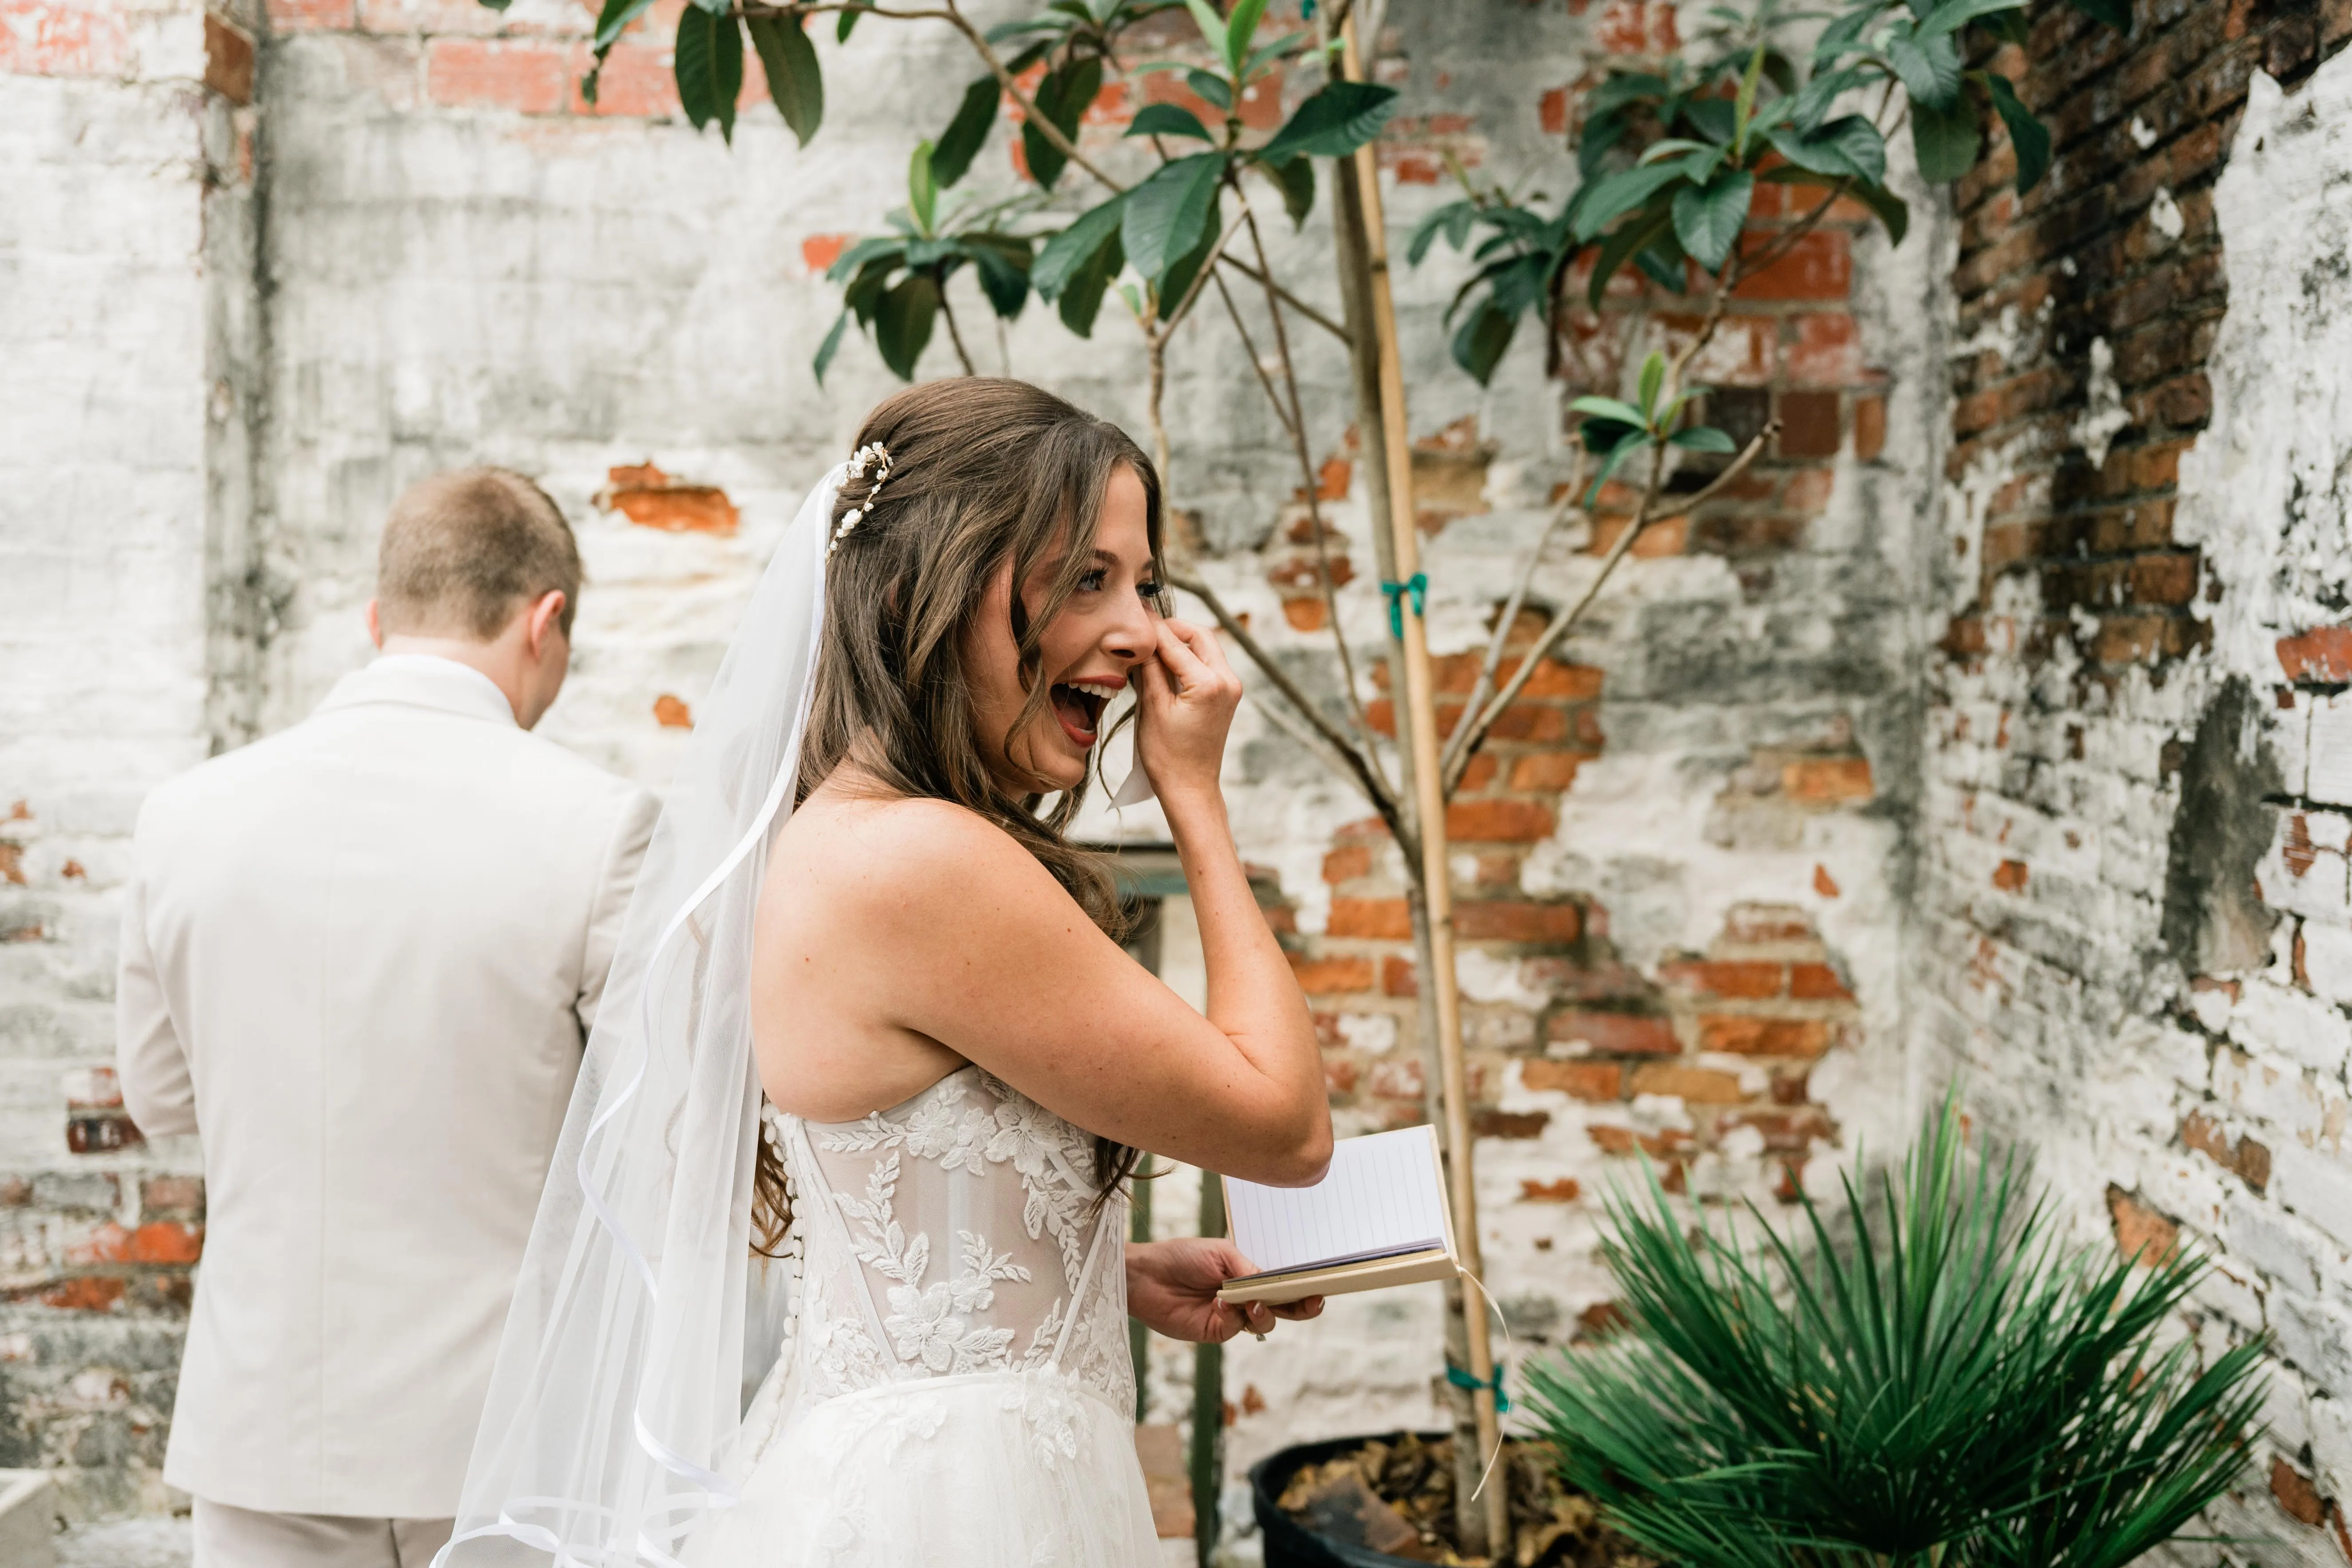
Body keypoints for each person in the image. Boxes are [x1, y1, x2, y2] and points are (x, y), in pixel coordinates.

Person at [440, 380, 1330, 1568]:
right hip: (959, 1508)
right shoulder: (925, 863)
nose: (1140, 632)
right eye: (1085, 578)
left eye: (1144, 581)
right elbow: (1284, 1125)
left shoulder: (829, 839)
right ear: (930, 592)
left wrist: (1097, 1271)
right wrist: (1199, 802)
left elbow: (879, 1211)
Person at [116, 468, 660, 1568]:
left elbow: (159, 1099)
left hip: (264, 1421)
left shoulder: (180, 819)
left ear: (378, 619)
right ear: (544, 620)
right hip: (499, 1433)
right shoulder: (598, 825)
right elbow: (653, 1115)